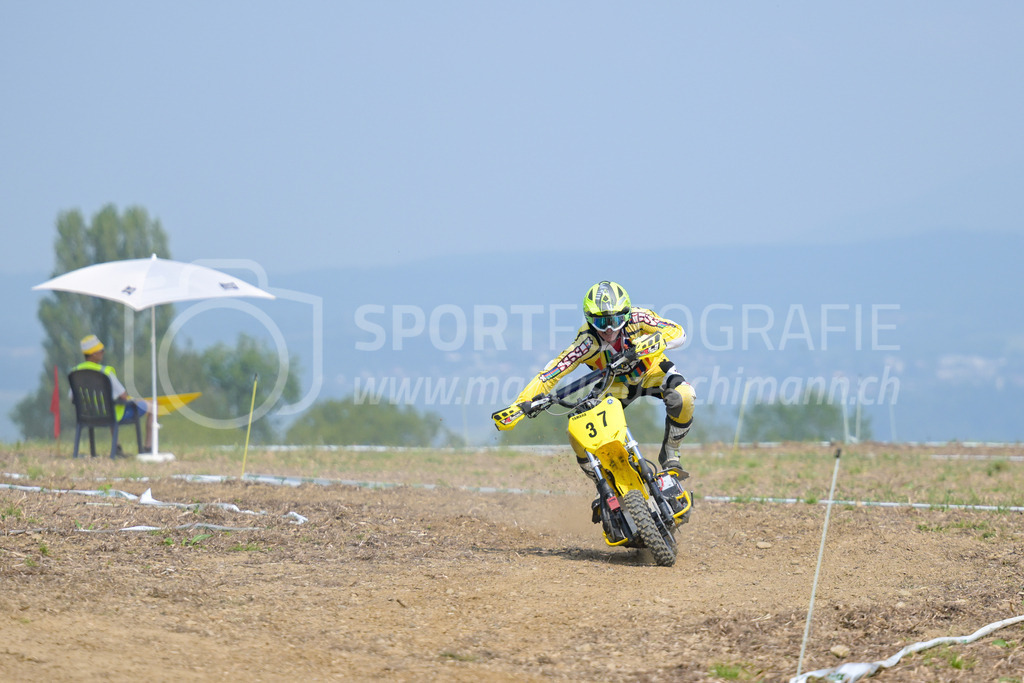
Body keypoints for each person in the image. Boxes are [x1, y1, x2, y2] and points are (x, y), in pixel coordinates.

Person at [493, 280, 696, 483]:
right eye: (600, 323)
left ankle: (670, 452)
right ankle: (605, 481)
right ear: (589, 320)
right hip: (615, 385)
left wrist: (651, 343)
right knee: (579, 431)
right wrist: (520, 406)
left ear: (625, 315)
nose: (608, 329)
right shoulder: (586, 342)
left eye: (615, 321)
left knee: (684, 396)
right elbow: (550, 373)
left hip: (653, 371)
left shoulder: (639, 317)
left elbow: (679, 333)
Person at [73, 334, 153, 454]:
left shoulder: (76, 372)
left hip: (87, 416)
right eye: (101, 350)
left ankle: (117, 447)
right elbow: (123, 395)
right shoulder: (105, 372)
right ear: (94, 353)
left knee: (109, 404)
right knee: (152, 407)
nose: (103, 352)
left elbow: (72, 397)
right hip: (112, 416)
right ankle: (148, 448)